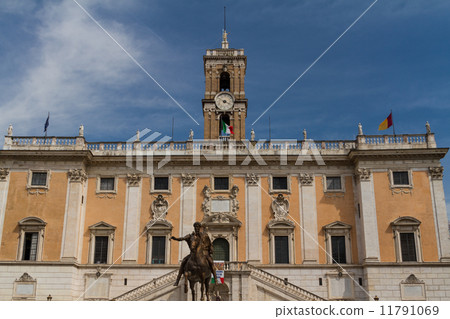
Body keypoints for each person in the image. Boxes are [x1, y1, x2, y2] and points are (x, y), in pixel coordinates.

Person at [170, 222, 217, 286]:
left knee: (211, 262)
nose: (196, 228)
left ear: (200, 228)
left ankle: (215, 278)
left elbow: (210, 244)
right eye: (195, 227)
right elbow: (182, 238)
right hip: (193, 253)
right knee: (183, 261)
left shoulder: (204, 235)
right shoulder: (190, 236)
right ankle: (177, 280)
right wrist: (175, 238)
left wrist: (211, 250)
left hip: (204, 253)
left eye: (198, 227)